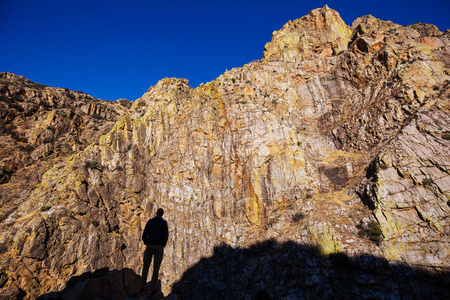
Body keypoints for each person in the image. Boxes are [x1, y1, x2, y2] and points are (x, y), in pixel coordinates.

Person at [140, 208, 169, 292]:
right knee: (156, 268)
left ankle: (142, 287)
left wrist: (147, 242)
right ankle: (153, 288)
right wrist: (162, 245)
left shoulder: (150, 222)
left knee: (145, 267)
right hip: (159, 247)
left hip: (150, 246)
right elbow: (165, 236)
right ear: (162, 214)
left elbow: (144, 234)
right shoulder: (164, 223)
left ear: (156, 213)